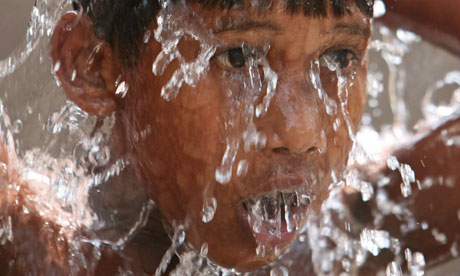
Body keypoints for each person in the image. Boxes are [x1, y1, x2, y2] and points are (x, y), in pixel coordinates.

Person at [0, 0, 458, 275]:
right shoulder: (29, 248)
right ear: (93, 66)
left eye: (339, 56)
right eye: (238, 57)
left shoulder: (343, 238)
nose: (300, 133)